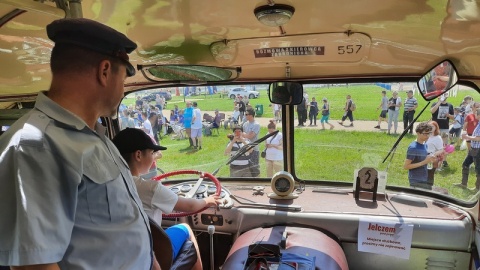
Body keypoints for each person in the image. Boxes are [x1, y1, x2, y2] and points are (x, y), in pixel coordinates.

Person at [0, 18, 159, 269]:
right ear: (105, 71)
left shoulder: (95, 137)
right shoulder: (35, 146)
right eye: (124, 79)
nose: (122, 89)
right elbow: (36, 265)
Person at [112, 128, 221, 270]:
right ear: (138, 155)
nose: (154, 158)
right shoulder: (150, 188)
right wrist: (208, 200)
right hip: (150, 256)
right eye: (152, 153)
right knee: (186, 228)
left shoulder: (109, 186)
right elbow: (190, 206)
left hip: (122, 255)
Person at [403, 122, 437, 190]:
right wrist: (424, 162)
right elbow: (406, 166)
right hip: (416, 180)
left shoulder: (425, 144)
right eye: (425, 134)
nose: (427, 136)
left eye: (429, 133)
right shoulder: (413, 148)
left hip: (424, 177)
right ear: (418, 133)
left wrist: (430, 159)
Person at [431, 94, 454, 167]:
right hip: (435, 128)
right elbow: (432, 111)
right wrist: (439, 102)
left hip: (445, 127)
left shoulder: (450, 105)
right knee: (435, 144)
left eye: (444, 95)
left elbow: (453, 117)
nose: (443, 96)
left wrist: (449, 115)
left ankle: (444, 160)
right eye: (441, 95)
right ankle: (434, 159)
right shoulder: (435, 104)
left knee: (444, 145)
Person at [462, 109, 480, 191]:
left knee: (478, 169)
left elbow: (479, 138)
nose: (474, 114)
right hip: (473, 148)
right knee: (465, 164)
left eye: (476, 113)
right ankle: (463, 184)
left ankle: (477, 188)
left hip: (478, 149)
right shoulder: (478, 123)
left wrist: (468, 137)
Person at [426, 121, 445, 185]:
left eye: (432, 126)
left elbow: (441, 150)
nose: (430, 128)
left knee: (429, 175)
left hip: (431, 158)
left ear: (436, 128)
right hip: (423, 156)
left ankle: (429, 189)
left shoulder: (438, 138)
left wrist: (433, 155)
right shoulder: (425, 135)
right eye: (429, 126)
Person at [243, 108, 261, 176]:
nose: (245, 116)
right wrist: (246, 135)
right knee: (246, 168)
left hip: (254, 149)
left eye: (246, 114)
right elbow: (245, 135)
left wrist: (245, 135)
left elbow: (251, 136)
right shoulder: (245, 124)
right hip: (246, 149)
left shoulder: (256, 125)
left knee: (255, 169)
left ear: (251, 115)